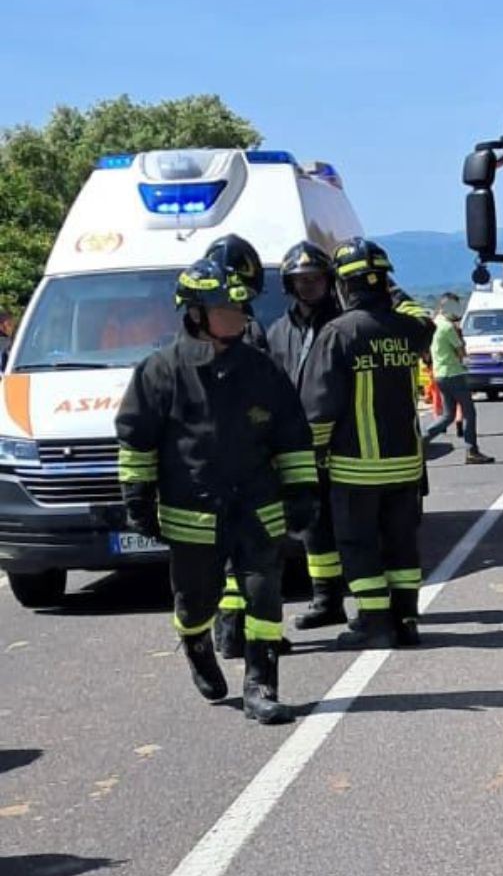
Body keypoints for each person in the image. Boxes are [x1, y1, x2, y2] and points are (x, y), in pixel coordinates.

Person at [114, 257, 318, 724]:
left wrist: (303, 490)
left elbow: (292, 435)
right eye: (230, 307)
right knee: (195, 600)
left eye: (244, 306)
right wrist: (137, 498)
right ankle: (195, 642)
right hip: (194, 513)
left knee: (264, 592)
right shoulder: (159, 372)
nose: (242, 316)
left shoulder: (261, 370)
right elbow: (136, 440)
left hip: (256, 507)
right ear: (196, 313)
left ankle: (261, 686)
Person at [301, 239, 436, 649]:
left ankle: (375, 622)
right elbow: (423, 319)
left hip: (355, 467)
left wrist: (314, 460)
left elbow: (319, 408)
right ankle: (406, 620)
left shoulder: (338, 333)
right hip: (406, 465)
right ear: (384, 282)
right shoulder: (407, 328)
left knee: (359, 545)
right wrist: (392, 292)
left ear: (344, 285)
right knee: (401, 545)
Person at [264, 241, 347, 630]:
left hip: (344, 446)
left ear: (328, 281)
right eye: (300, 280)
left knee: (353, 527)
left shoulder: (344, 325)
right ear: (289, 285)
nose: (308, 285)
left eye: (315, 278)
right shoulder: (277, 332)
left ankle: (374, 606)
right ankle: (326, 600)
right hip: (294, 448)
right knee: (312, 529)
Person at [202, 234, 274, 658]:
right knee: (252, 559)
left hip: (211, 466)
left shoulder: (194, 331)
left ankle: (230, 633)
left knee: (231, 560)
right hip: (247, 461)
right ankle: (240, 635)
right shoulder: (247, 331)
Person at [421, 294, 495, 465]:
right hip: (454, 373)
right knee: (469, 413)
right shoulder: (447, 327)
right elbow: (461, 352)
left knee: (448, 415)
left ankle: (423, 438)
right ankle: (472, 450)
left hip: (440, 374)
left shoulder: (434, 324)